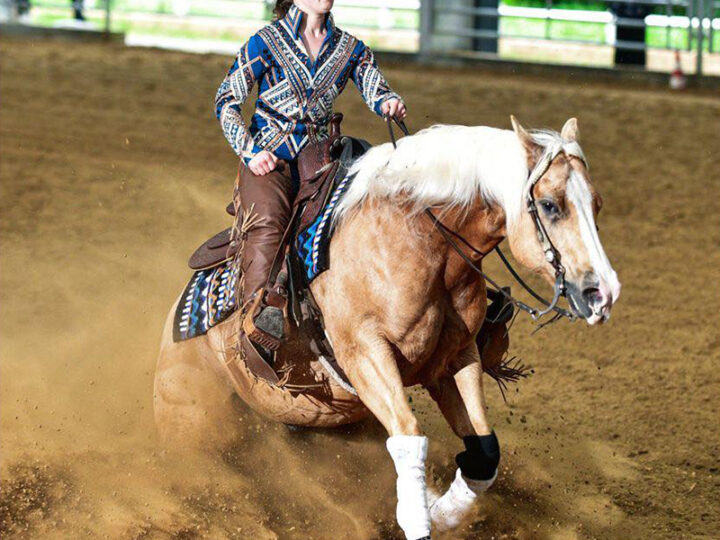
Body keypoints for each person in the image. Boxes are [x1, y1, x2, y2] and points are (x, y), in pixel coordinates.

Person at [214, 0, 406, 360]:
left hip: (321, 156)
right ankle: (257, 321)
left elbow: (375, 89)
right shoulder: (264, 42)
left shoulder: (350, 48)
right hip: (271, 160)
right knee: (270, 223)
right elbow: (226, 100)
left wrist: (388, 102)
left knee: (369, 207)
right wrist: (251, 152)